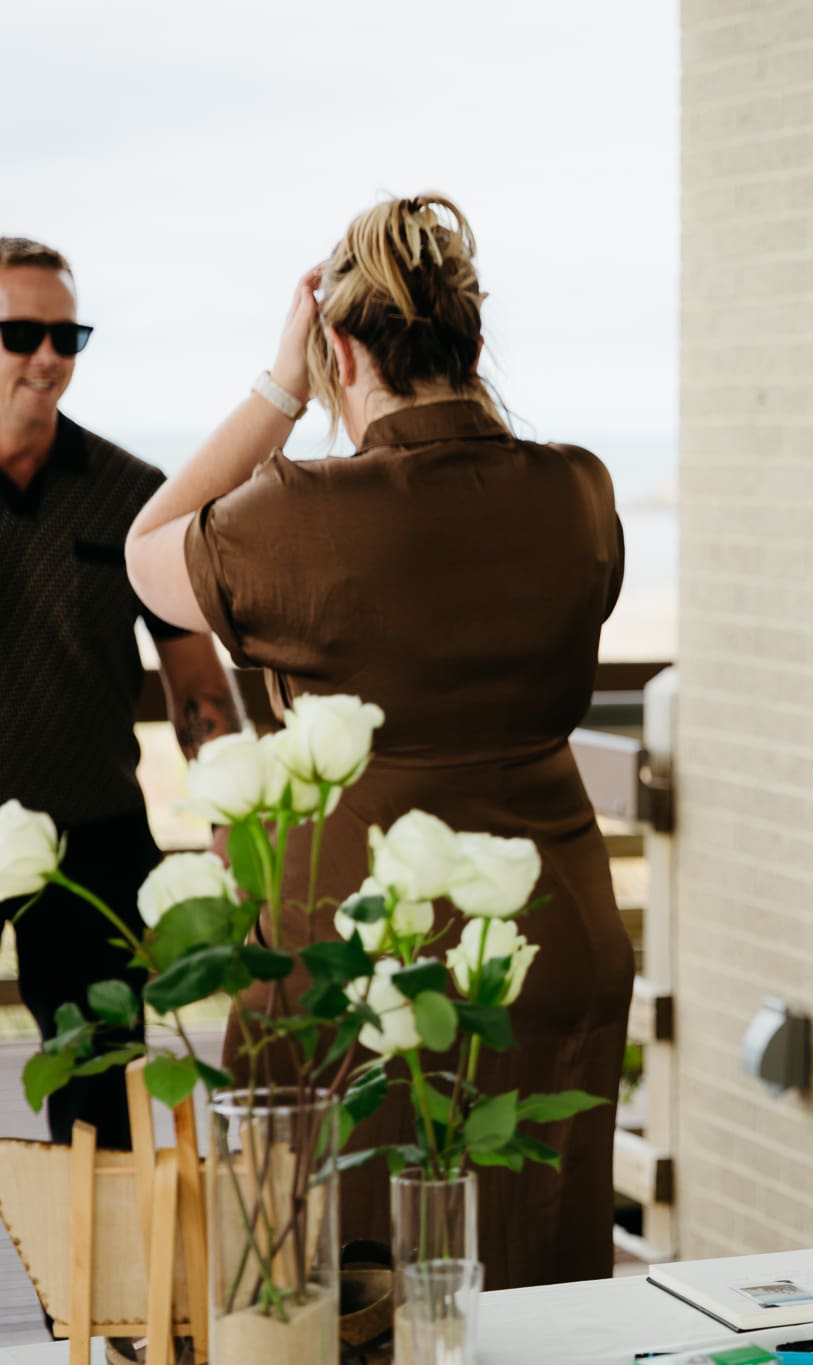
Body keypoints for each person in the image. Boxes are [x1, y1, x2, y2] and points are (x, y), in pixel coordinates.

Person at [123, 195, 631, 1288]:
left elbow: (146, 548)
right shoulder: (580, 490)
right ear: (472, 340)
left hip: (354, 956)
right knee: (540, 1278)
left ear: (340, 349)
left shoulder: (296, 513)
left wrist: (277, 389)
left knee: (337, 1289)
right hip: (548, 939)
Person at [0, 236, 243, 1147]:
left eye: (68, 335)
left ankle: (101, 1295)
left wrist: (232, 820)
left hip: (93, 841)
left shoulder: (136, 501)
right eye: (21, 332)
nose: (47, 356)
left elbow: (198, 690)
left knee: (105, 1104)